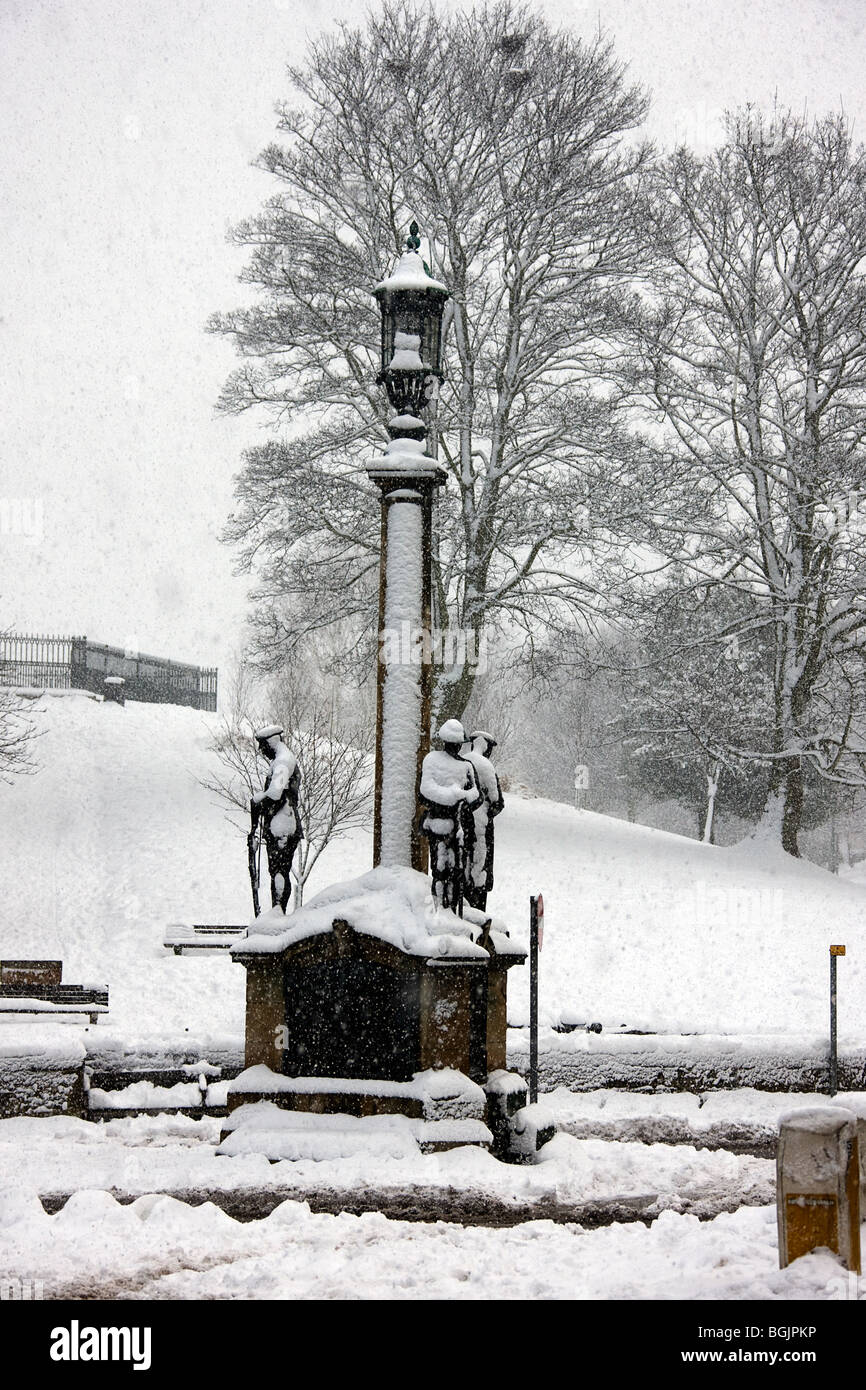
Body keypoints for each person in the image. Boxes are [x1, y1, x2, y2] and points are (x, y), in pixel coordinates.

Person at [419, 718, 480, 913]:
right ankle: (439, 908)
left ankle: (452, 910)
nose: (455, 748)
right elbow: (425, 791)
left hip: (459, 829)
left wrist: (463, 797)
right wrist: (452, 797)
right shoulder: (432, 761)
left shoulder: (467, 767)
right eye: (453, 744)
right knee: (439, 870)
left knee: (457, 872)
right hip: (438, 825)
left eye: (457, 744)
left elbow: (476, 796)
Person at [250, 724, 303, 913]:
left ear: (272, 742)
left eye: (263, 746)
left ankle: (278, 911)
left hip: (283, 826)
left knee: (279, 872)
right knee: (278, 872)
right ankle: (277, 911)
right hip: (282, 824)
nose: (261, 751)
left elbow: (275, 794)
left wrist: (256, 801)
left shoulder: (282, 762)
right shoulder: (283, 761)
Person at [462, 730, 505, 911]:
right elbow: (498, 802)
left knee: (463, 870)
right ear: (486, 746)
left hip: (461, 828)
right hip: (481, 830)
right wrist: (485, 814)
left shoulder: (462, 762)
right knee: (479, 873)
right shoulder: (486, 767)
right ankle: (477, 915)